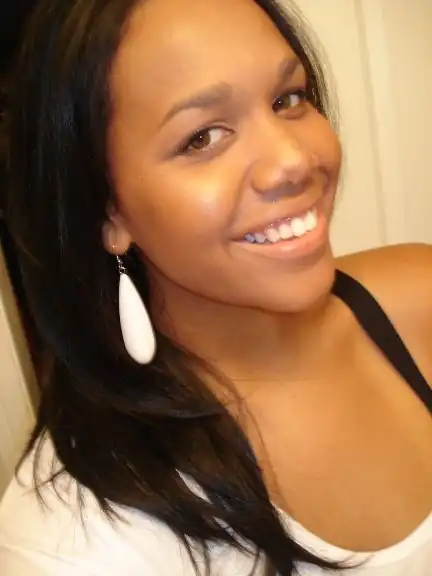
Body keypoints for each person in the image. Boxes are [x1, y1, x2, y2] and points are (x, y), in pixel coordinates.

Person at [0, 0, 431, 574]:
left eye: (287, 99)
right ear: (108, 212)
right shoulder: (76, 540)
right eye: (202, 137)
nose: (293, 161)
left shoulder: (420, 297)